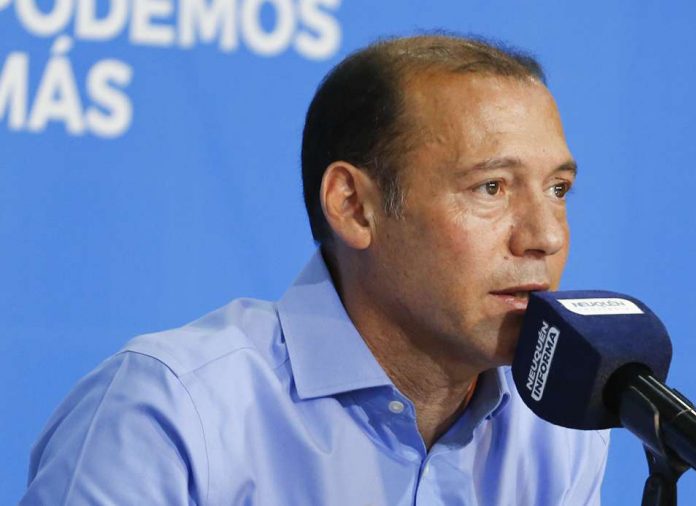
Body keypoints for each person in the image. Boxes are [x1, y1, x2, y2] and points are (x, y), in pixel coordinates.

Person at [21, 34, 610, 505]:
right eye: (491, 187)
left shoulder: (555, 428)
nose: (546, 236)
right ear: (354, 207)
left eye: (558, 189)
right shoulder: (172, 411)